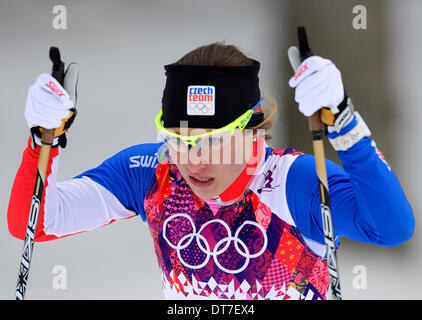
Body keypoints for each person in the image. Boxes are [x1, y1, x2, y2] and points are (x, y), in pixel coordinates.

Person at [8, 43, 414, 300]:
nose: (193, 161)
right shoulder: (152, 173)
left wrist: (343, 120)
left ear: (253, 131)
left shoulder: (293, 182)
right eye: (179, 139)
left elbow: (391, 227)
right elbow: (37, 221)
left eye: (212, 141)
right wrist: (42, 141)